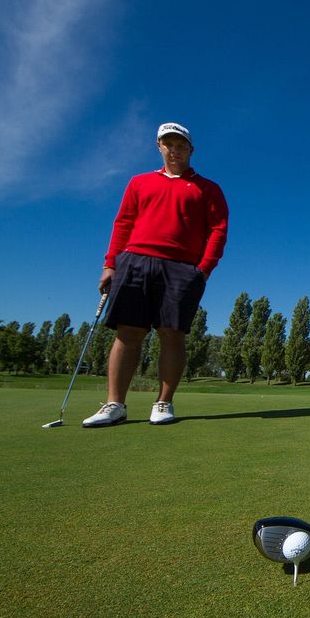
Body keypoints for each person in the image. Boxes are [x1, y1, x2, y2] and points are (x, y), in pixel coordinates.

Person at [82, 122, 228, 427]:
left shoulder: (208, 189)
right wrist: (110, 264)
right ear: (159, 147)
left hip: (181, 267)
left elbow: (218, 230)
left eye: (180, 145)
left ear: (190, 150)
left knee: (172, 334)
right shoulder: (139, 182)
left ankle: (163, 403)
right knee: (129, 332)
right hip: (135, 261)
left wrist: (203, 271)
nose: (174, 150)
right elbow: (123, 223)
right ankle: (115, 404)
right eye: (168, 144)